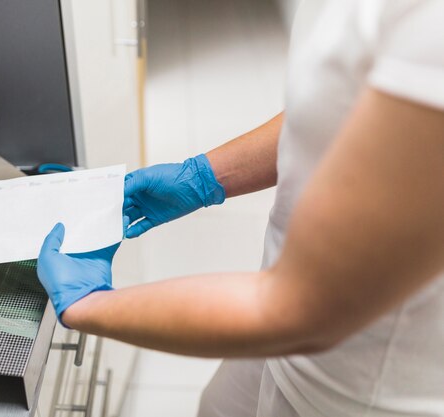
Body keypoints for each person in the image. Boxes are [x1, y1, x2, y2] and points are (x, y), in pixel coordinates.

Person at [37, 1, 444, 415]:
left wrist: (90, 305)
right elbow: (343, 108)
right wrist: (202, 177)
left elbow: (298, 309)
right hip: (286, 328)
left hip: (357, 386)